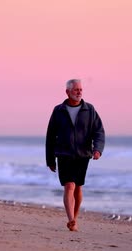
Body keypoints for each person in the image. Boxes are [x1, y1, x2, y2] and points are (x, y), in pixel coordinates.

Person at [46, 79, 105, 231]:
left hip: (83, 155)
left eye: (80, 89)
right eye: (76, 90)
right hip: (64, 154)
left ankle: (75, 218)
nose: (79, 92)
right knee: (69, 185)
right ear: (68, 92)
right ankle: (71, 219)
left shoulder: (89, 110)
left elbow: (98, 131)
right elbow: (51, 136)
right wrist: (50, 159)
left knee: (78, 187)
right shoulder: (58, 110)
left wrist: (97, 149)